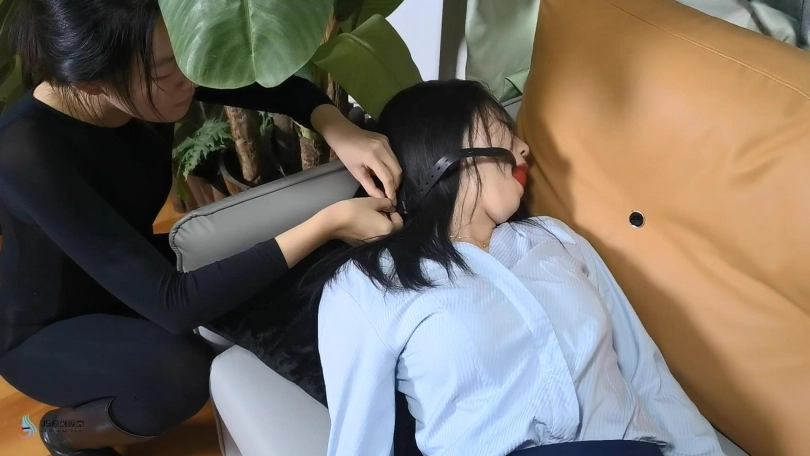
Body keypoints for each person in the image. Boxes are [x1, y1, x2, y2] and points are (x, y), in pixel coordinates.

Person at [0, 0, 403, 455]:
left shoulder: (153, 67)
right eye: (166, 70)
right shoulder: (24, 153)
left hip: (130, 268)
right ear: (91, 84)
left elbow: (280, 89)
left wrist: (341, 130)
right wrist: (329, 222)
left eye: (187, 56)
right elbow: (175, 305)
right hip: (47, 327)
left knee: (255, 282)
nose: (191, 77)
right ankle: (64, 432)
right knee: (180, 374)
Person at [312, 80, 726, 456]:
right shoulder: (370, 283)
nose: (523, 148)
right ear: (441, 145)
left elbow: (645, 371)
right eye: (501, 131)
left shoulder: (557, 239)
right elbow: (358, 440)